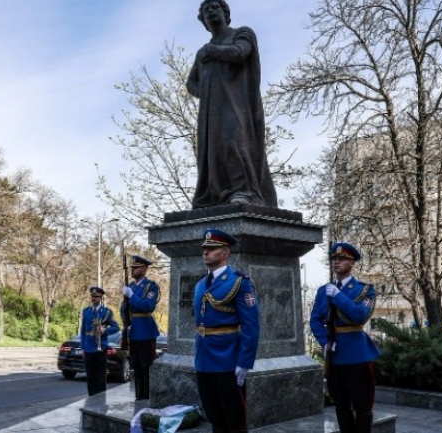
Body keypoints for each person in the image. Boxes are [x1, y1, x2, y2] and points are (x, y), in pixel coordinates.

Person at [186, 0, 277, 209]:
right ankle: (217, 194)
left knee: (233, 143)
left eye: (215, 7)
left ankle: (245, 191)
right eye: (206, 10)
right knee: (213, 152)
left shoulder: (241, 34)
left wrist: (214, 51)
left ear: (226, 13)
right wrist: (207, 93)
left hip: (238, 107)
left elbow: (240, 53)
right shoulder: (202, 53)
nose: (211, 11)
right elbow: (191, 83)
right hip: (212, 112)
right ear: (203, 21)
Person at [193, 228, 260, 432]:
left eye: (212, 248)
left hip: (228, 360)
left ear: (225, 253)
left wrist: (244, 362)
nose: (206, 252)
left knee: (234, 421)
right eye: (205, 248)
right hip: (204, 359)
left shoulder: (239, 282)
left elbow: (251, 325)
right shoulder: (199, 284)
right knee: (215, 418)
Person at [310, 242, 380, 433]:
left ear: (352, 263)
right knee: (340, 405)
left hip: (357, 356)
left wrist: (339, 296)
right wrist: (325, 343)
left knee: (362, 406)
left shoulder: (365, 290)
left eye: (342, 259)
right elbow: (315, 320)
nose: (337, 262)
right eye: (334, 259)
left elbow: (360, 316)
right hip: (335, 356)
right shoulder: (323, 291)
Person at [121, 255, 161, 401]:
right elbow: (123, 308)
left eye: (136, 267)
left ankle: (146, 398)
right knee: (136, 368)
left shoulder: (151, 286)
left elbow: (147, 306)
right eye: (132, 267)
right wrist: (126, 324)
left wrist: (131, 296)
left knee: (146, 368)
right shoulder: (130, 286)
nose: (133, 270)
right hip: (133, 332)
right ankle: (139, 398)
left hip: (146, 331)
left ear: (144, 269)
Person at [80, 286, 120, 396]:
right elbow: (83, 331)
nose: (93, 299)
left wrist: (105, 330)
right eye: (92, 296)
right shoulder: (86, 311)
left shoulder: (106, 312)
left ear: (101, 298)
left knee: (100, 377)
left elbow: (116, 327)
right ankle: (91, 399)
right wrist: (82, 347)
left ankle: (100, 400)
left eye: (96, 297)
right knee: (90, 376)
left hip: (101, 348)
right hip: (88, 348)